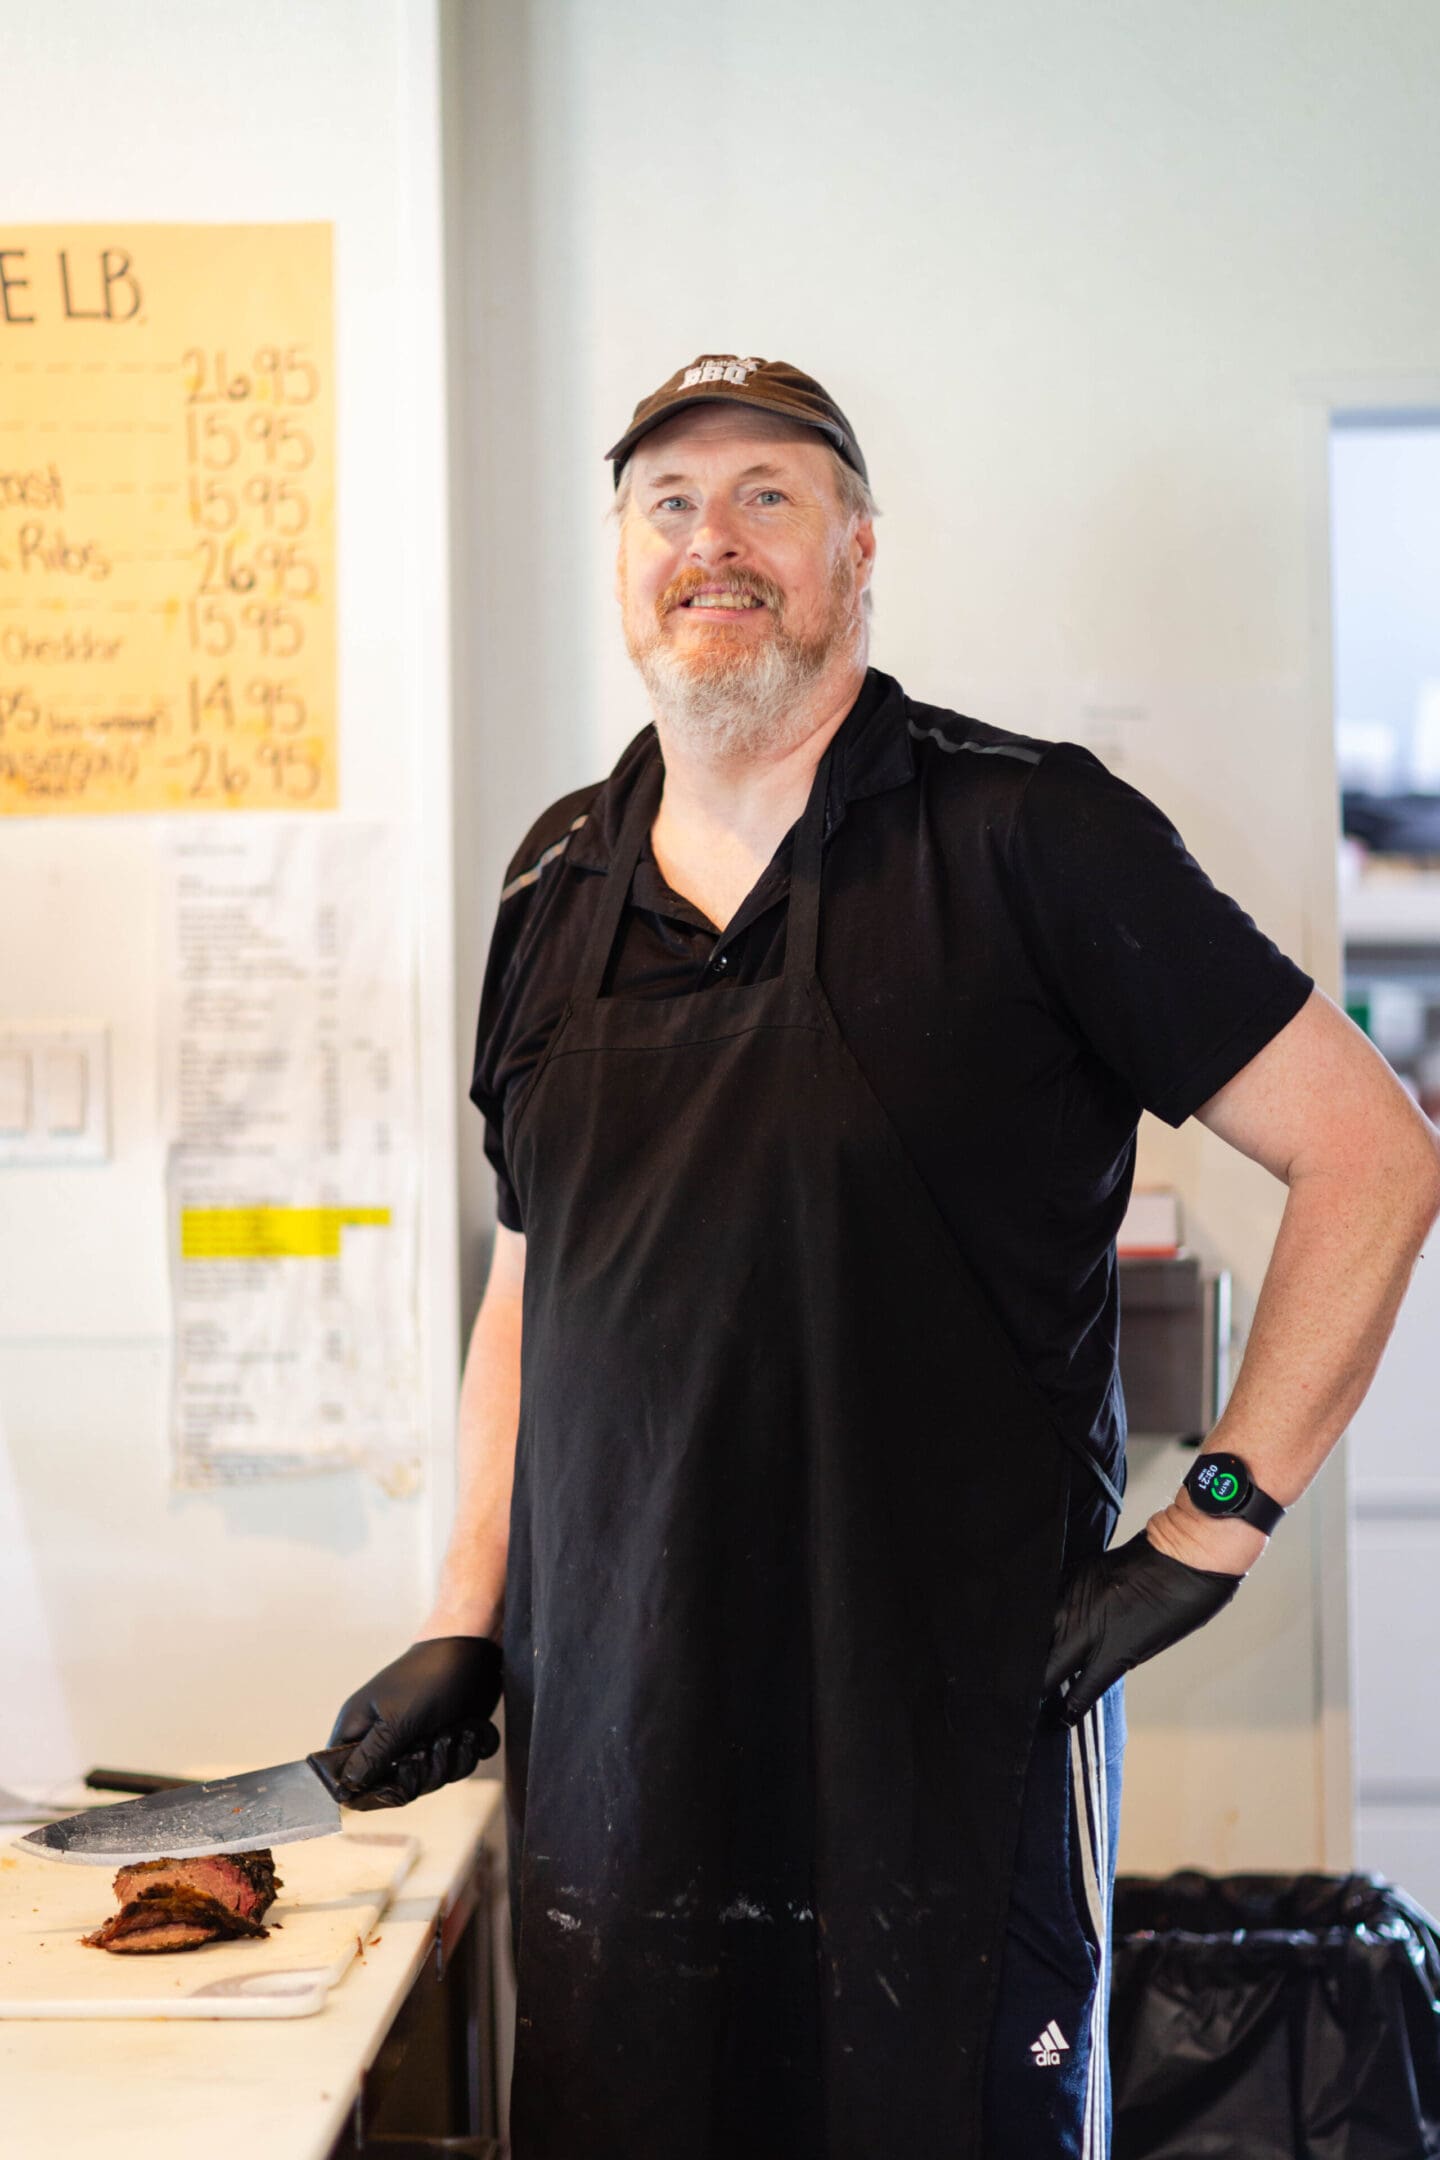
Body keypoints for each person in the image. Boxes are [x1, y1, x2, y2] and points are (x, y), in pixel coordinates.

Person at [320, 357, 1440, 2159]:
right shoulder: (554, 886)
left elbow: (1375, 1155)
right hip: (620, 1756)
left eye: (769, 495)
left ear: (856, 550)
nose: (715, 542)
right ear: (622, 560)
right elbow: (537, 1276)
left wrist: (1216, 1522)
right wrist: (468, 1617)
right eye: (670, 504)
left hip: (947, 1748)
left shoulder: (1028, 833)